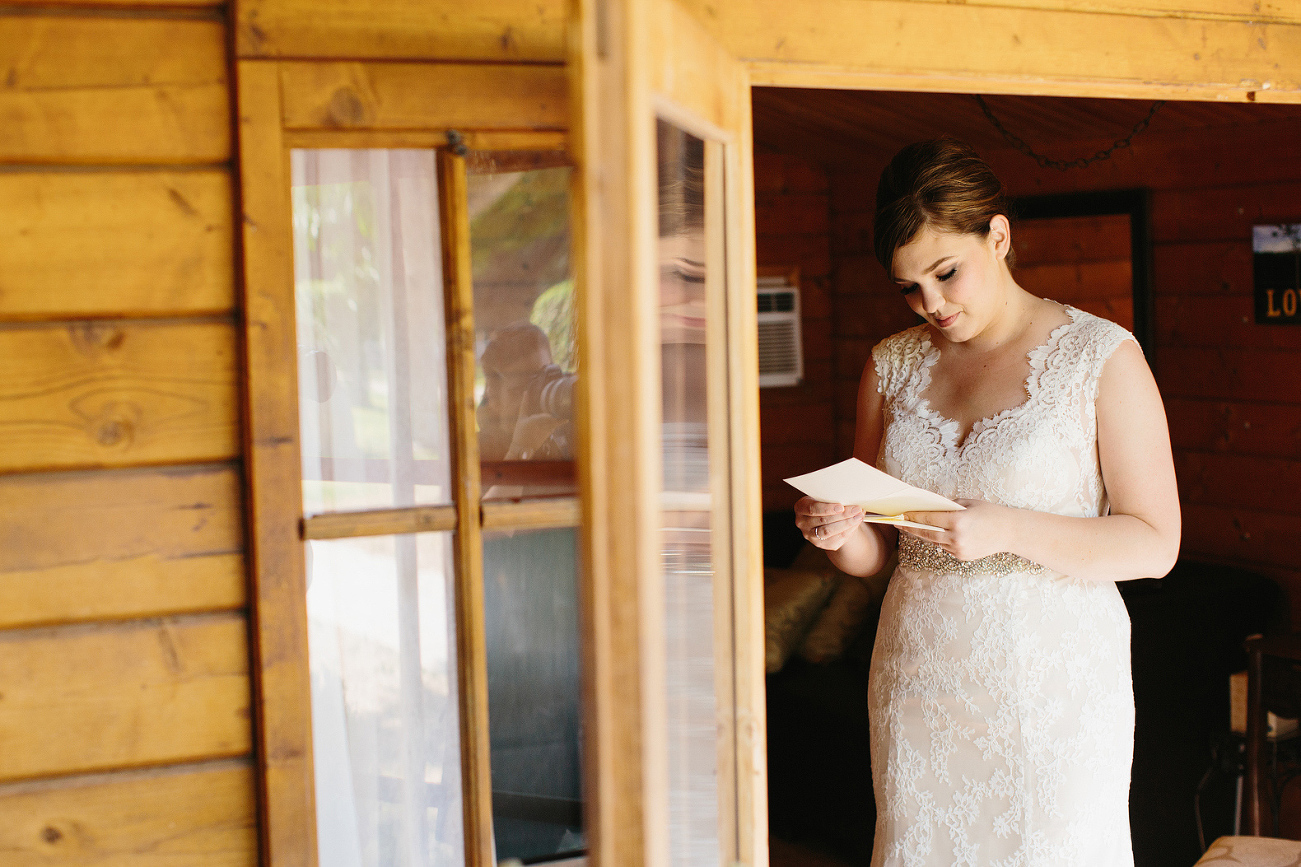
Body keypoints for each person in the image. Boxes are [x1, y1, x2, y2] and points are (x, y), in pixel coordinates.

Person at [794, 137, 1180, 866]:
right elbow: (877, 552)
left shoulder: (1101, 357)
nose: (931, 304)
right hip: (918, 679)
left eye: (945, 273)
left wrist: (1002, 527)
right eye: (909, 287)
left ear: (997, 235)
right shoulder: (889, 366)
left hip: (1053, 687)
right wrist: (837, 530)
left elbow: (1154, 543)